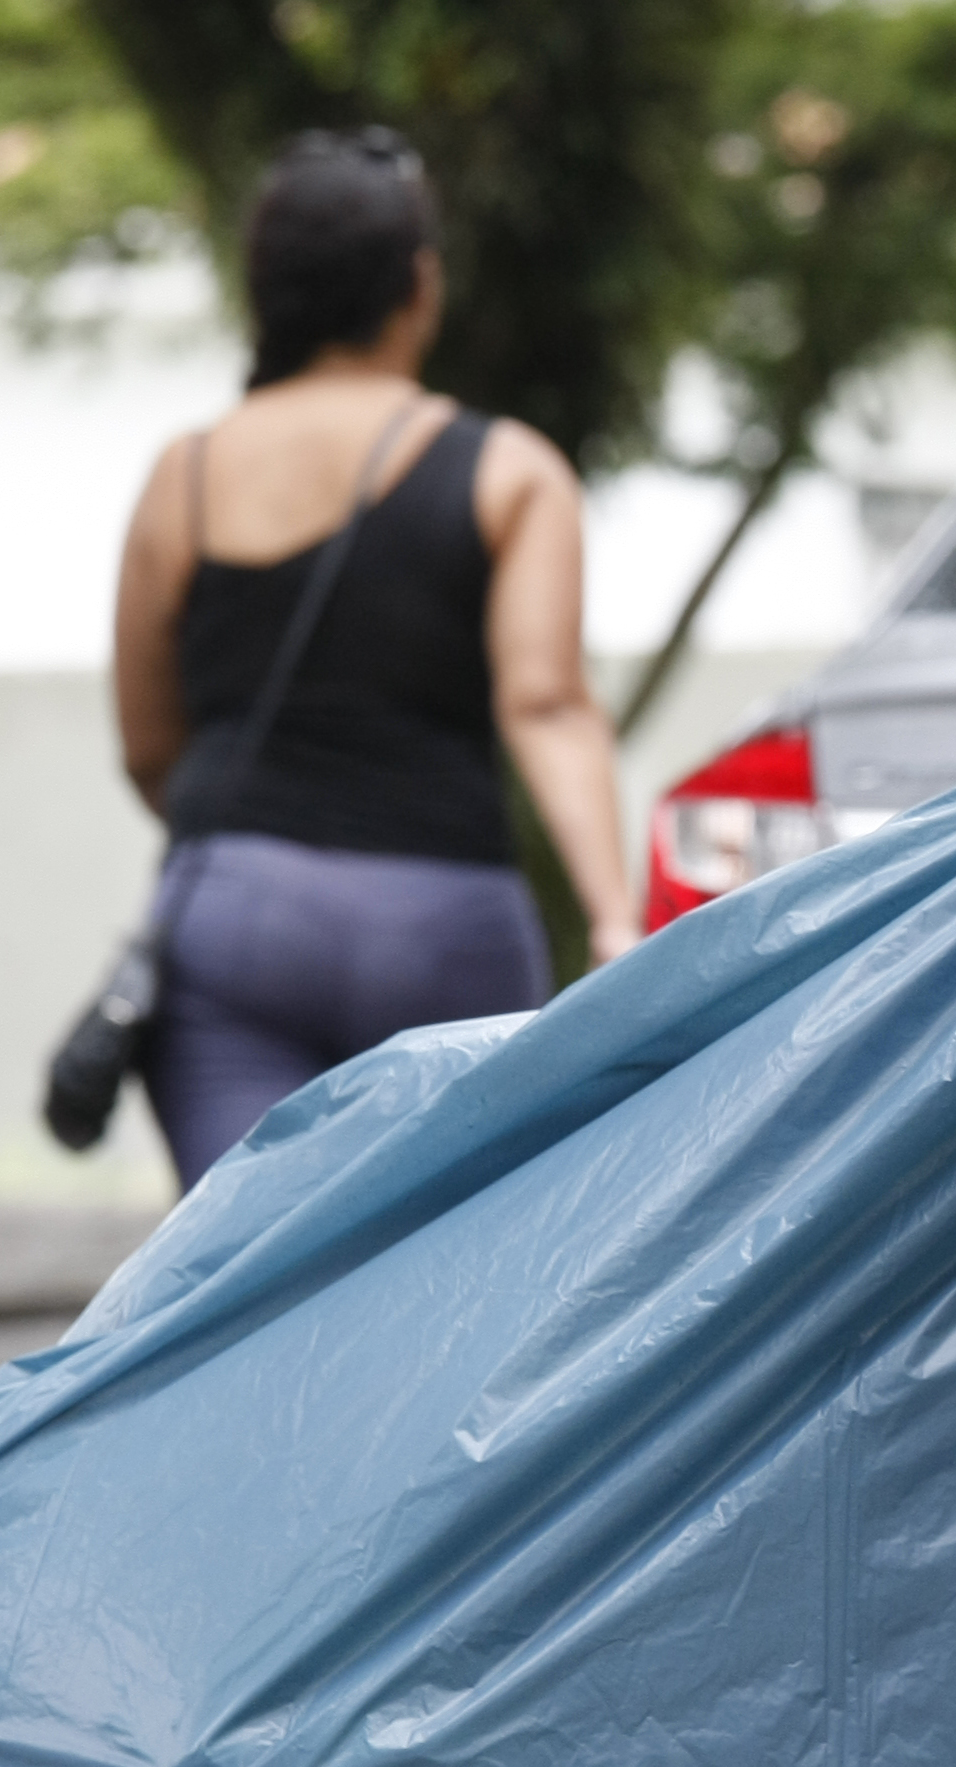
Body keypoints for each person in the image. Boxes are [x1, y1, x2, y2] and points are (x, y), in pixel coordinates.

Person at [109, 128, 639, 1191]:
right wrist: (614, 913)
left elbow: (148, 742)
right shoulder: (509, 472)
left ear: (264, 292)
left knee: (240, 1291)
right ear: (419, 285)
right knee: (450, 1285)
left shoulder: (188, 475)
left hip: (236, 918)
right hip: (441, 926)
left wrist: (269, 864)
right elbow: (546, 704)